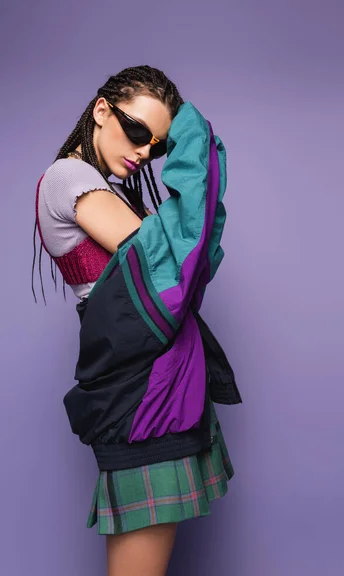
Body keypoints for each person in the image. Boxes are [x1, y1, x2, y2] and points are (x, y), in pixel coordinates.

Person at [32, 65, 242, 576]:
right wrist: (193, 128)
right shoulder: (70, 179)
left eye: (158, 143)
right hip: (141, 392)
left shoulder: (104, 187)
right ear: (101, 110)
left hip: (161, 385)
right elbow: (170, 259)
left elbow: (183, 261)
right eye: (137, 132)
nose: (145, 151)